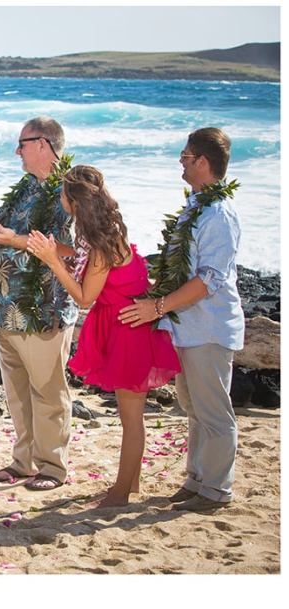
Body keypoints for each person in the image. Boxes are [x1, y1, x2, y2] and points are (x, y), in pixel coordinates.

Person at [27, 165, 181, 507]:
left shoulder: (100, 247)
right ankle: (132, 483)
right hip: (123, 326)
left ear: (74, 201)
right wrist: (57, 252)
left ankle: (121, 492)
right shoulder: (102, 234)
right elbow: (82, 260)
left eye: (63, 194)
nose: (60, 199)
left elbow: (84, 297)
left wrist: (52, 261)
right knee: (130, 415)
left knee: (130, 418)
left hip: (128, 332)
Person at [119, 128, 243, 511]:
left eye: (186, 156)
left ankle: (216, 489)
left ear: (203, 162)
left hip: (209, 326)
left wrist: (156, 308)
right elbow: (182, 270)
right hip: (185, 327)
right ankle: (197, 478)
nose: (181, 160)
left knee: (214, 411)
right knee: (192, 406)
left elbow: (207, 280)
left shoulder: (219, 213)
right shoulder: (195, 207)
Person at [0, 116, 77, 491]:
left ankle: (52, 467)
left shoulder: (70, 190)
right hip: (6, 307)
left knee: (48, 392)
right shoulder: (25, 187)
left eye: (22, 143)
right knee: (17, 393)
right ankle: (23, 462)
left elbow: (74, 249)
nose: (17, 150)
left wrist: (14, 239)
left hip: (42, 307)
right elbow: (4, 228)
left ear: (44, 144)